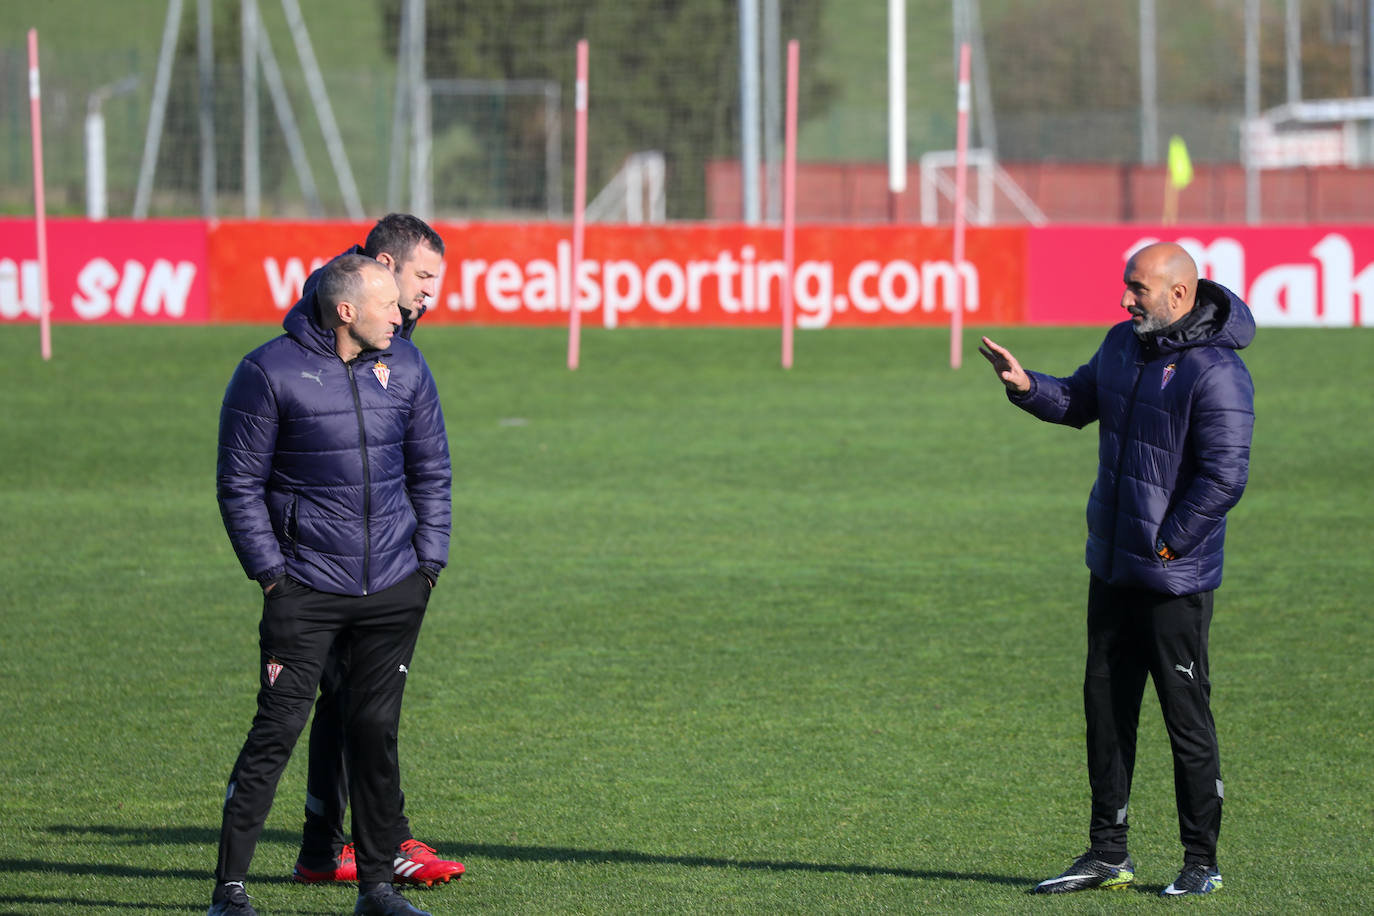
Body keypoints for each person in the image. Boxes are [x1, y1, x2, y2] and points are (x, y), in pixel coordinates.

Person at [978, 242, 1254, 898]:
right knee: (1105, 711)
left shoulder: (1216, 373)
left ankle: (1200, 862)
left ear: (1179, 296)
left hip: (1171, 582)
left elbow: (1225, 476)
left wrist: (1168, 545)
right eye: (1125, 287)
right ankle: (1108, 853)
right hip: (1111, 570)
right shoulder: (1121, 344)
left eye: (1137, 289)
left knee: (1186, 717)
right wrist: (1028, 387)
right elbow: (1078, 400)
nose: (1125, 299)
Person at [210, 254, 449, 916]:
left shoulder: (407, 366)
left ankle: (375, 890)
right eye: (387, 304)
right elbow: (239, 486)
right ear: (346, 311)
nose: (402, 312)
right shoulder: (267, 371)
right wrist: (272, 578)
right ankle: (229, 891)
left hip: (395, 589)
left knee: (373, 733)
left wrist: (427, 564)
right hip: (304, 594)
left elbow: (432, 471)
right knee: (276, 733)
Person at [290, 215, 465, 890]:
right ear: (383, 267)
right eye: (423, 278)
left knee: (343, 702)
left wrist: (428, 556)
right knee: (367, 706)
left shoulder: (379, 337)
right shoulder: (329, 345)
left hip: (379, 557)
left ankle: (320, 847)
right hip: (343, 560)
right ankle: (386, 844)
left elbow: (425, 463)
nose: (430, 295)